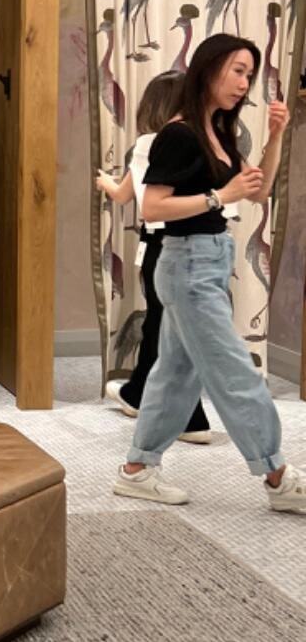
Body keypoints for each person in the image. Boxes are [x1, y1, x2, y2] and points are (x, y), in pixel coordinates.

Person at [111, 33, 304, 514]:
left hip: (209, 260)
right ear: (209, 68)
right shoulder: (179, 135)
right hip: (187, 264)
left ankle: (137, 469)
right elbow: (153, 206)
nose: (244, 83)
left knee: (175, 374)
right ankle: (278, 477)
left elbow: (257, 191)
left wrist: (276, 135)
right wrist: (220, 197)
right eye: (237, 71)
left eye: (249, 75)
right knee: (235, 372)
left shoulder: (216, 130)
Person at [95, 72, 212, 444]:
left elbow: (124, 196)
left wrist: (104, 181)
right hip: (196, 242)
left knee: (167, 326)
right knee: (163, 323)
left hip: (162, 245)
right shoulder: (201, 142)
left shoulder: (149, 143)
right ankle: (137, 394)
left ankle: (190, 418)